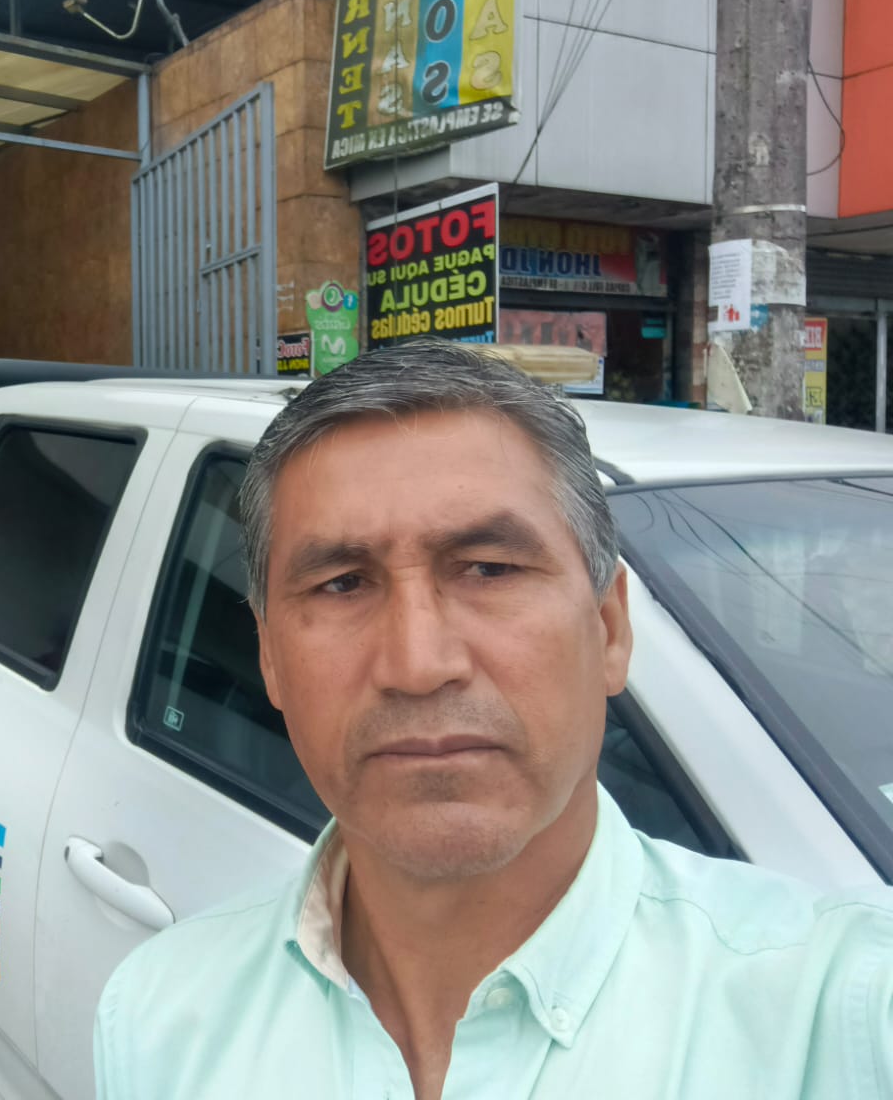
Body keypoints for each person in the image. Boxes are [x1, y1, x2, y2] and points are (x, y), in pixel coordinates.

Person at [94, 339, 893, 1100]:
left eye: (489, 569)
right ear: (269, 657)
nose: (418, 664)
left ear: (609, 629)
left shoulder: (842, 1013)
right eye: (342, 583)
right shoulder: (163, 1019)